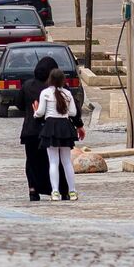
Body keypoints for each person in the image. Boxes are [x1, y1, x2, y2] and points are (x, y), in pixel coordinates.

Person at [35, 71, 83, 201]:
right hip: (65, 127)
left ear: (50, 79)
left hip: (51, 126)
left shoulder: (45, 93)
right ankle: (72, 191)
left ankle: (55, 192)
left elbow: (40, 112)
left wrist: (35, 112)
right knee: (67, 162)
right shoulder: (67, 93)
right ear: (63, 80)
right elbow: (73, 112)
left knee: (53, 162)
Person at [21, 57, 56, 201]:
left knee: (31, 161)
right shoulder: (54, 89)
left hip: (30, 130)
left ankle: (33, 189)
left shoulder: (27, 85)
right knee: (50, 160)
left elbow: (19, 103)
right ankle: (53, 188)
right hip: (49, 131)